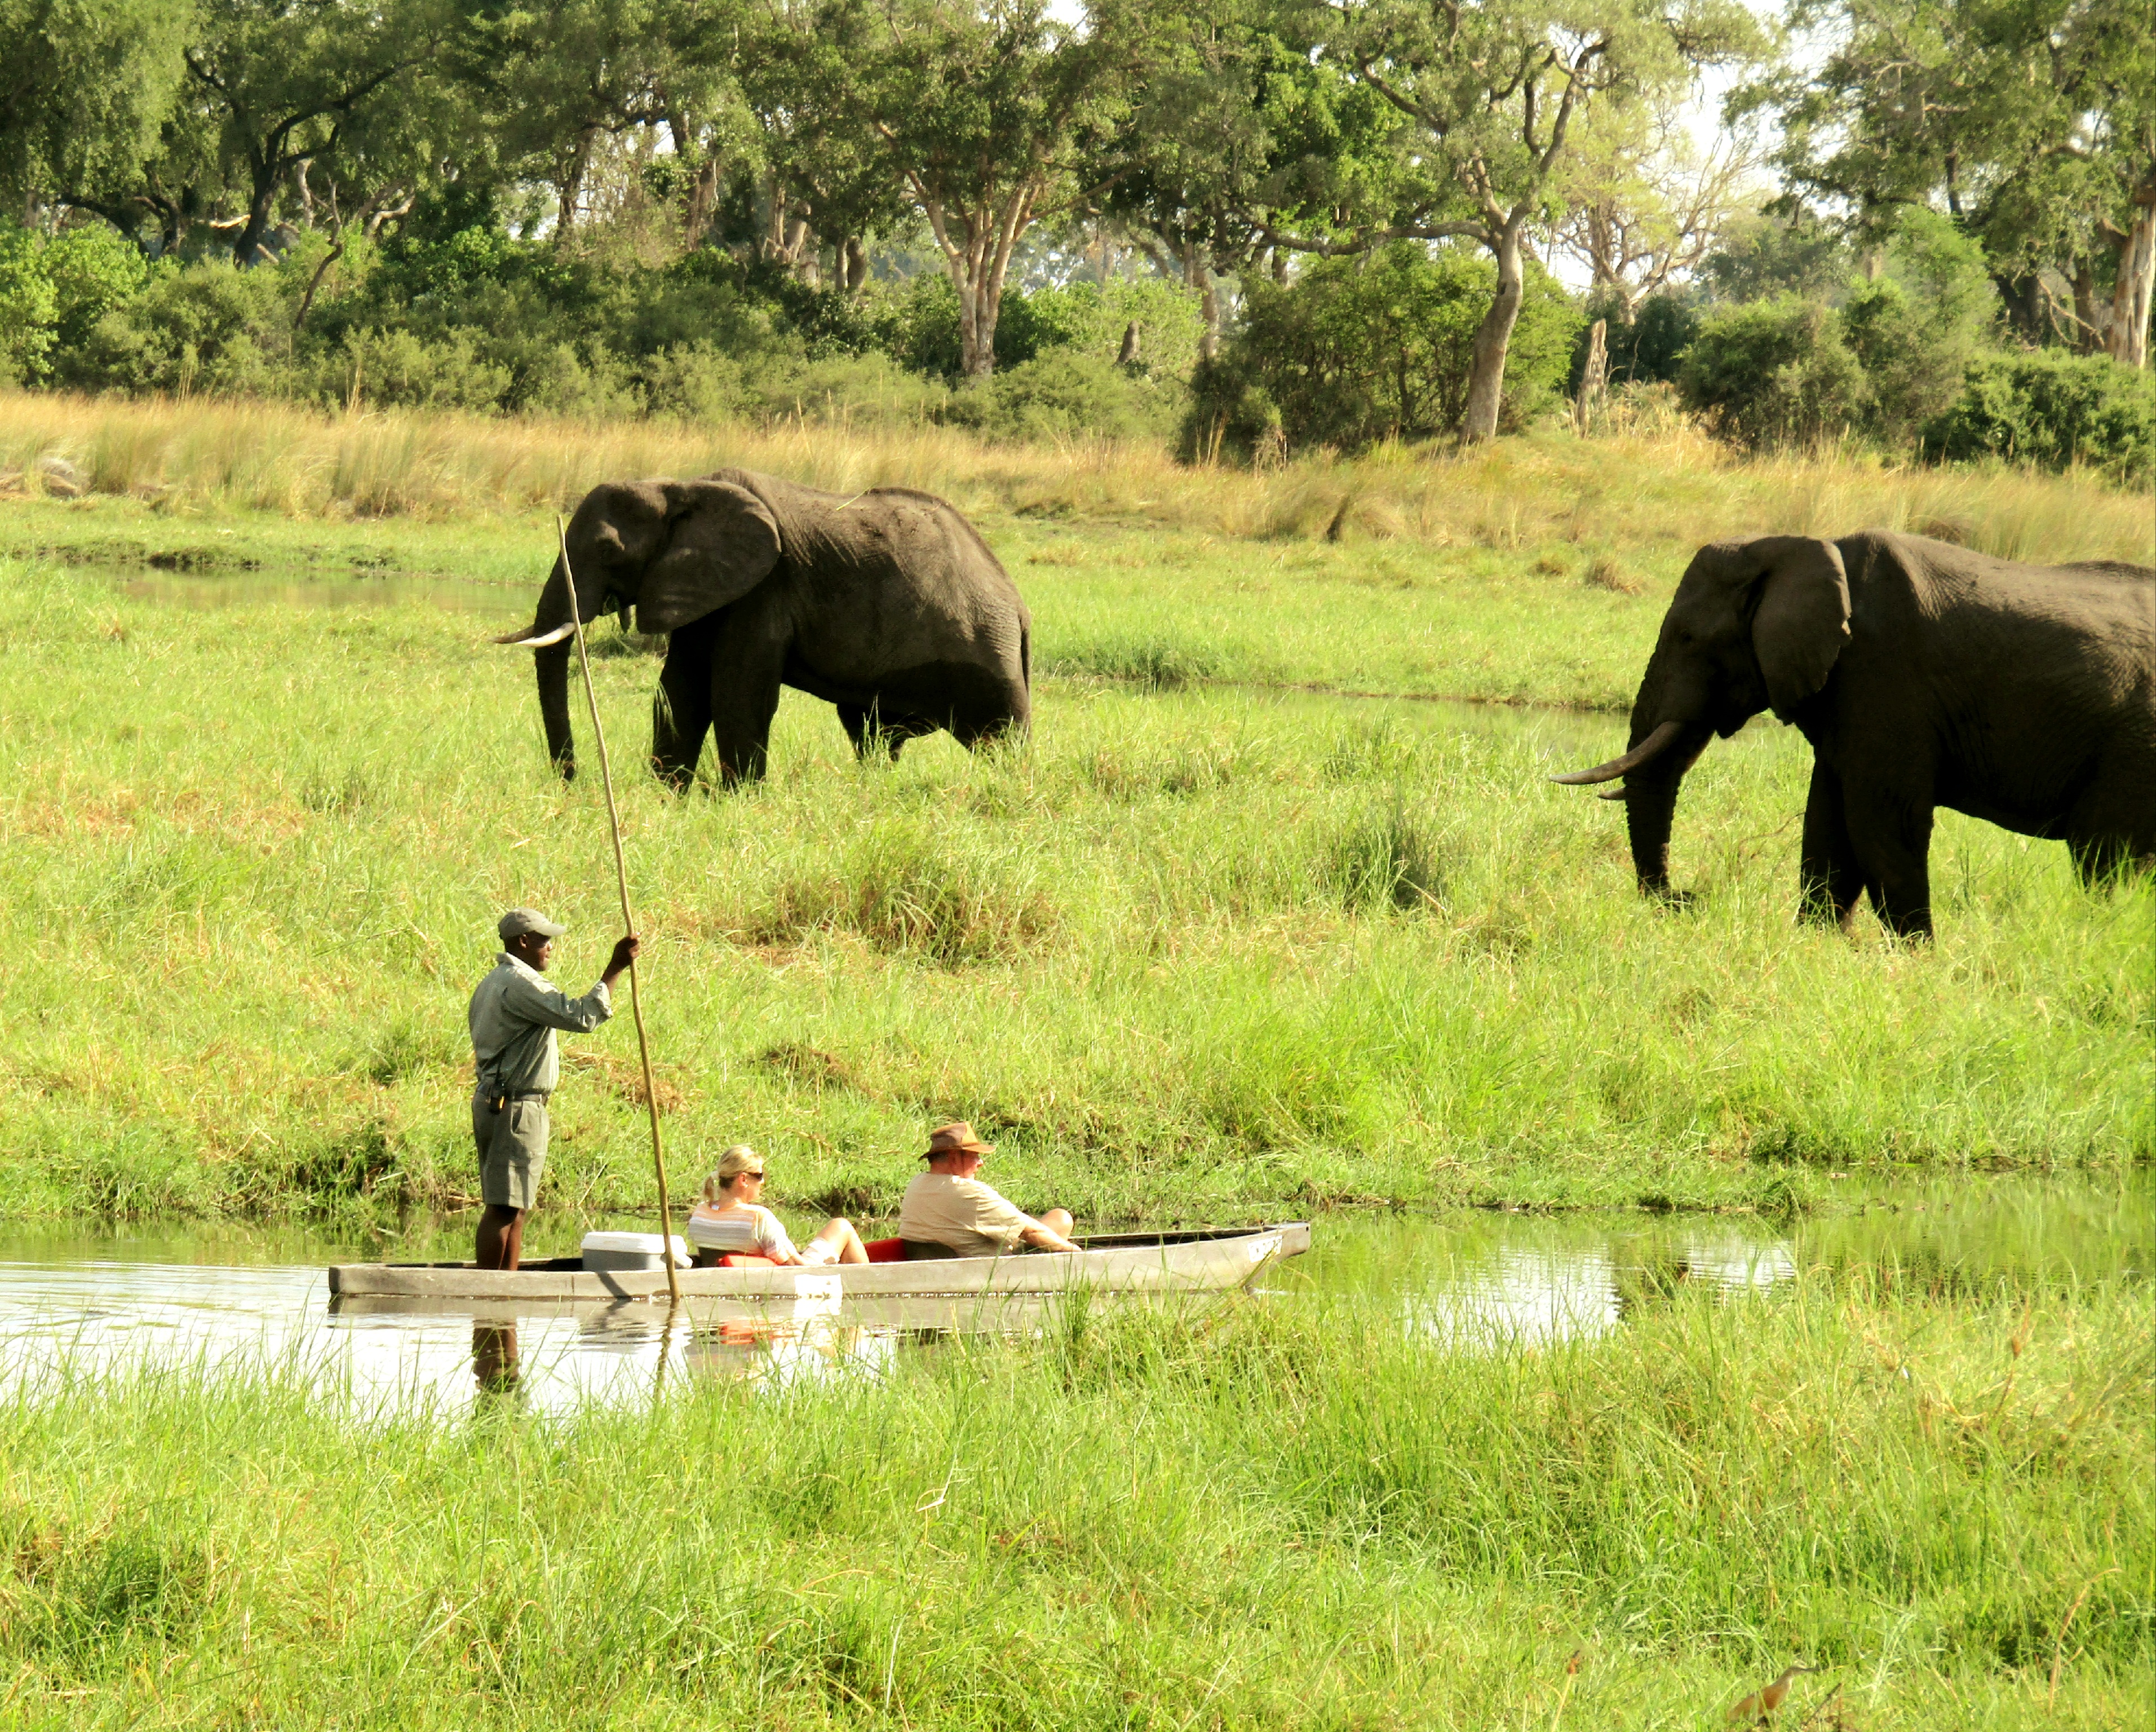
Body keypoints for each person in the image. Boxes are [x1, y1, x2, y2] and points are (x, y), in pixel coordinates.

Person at [467, 907, 639, 1271]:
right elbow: (581, 1016)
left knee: (515, 1207)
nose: (550, 947)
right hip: (514, 1106)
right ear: (524, 942)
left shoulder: (495, 980)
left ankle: (506, 1292)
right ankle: (489, 1292)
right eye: (545, 940)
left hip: (501, 1102)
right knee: (503, 1207)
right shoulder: (520, 983)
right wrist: (615, 968)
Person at [897, 1121, 1078, 1260]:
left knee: (1059, 1219)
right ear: (953, 1158)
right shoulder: (969, 1192)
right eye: (974, 1156)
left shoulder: (917, 1183)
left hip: (942, 1259)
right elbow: (1031, 1233)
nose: (980, 1163)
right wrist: (1076, 1253)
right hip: (992, 1267)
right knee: (1060, 1218)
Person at [687, 1145, 870, 1265]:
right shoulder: (758, 1217)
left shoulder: (700, 1212)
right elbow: (794, 1267)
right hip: (798, 1275)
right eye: (759, 1175)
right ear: (743, 1179)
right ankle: (871, 1291)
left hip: (732, 1278)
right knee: (842, 1226)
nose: (763, 1181)